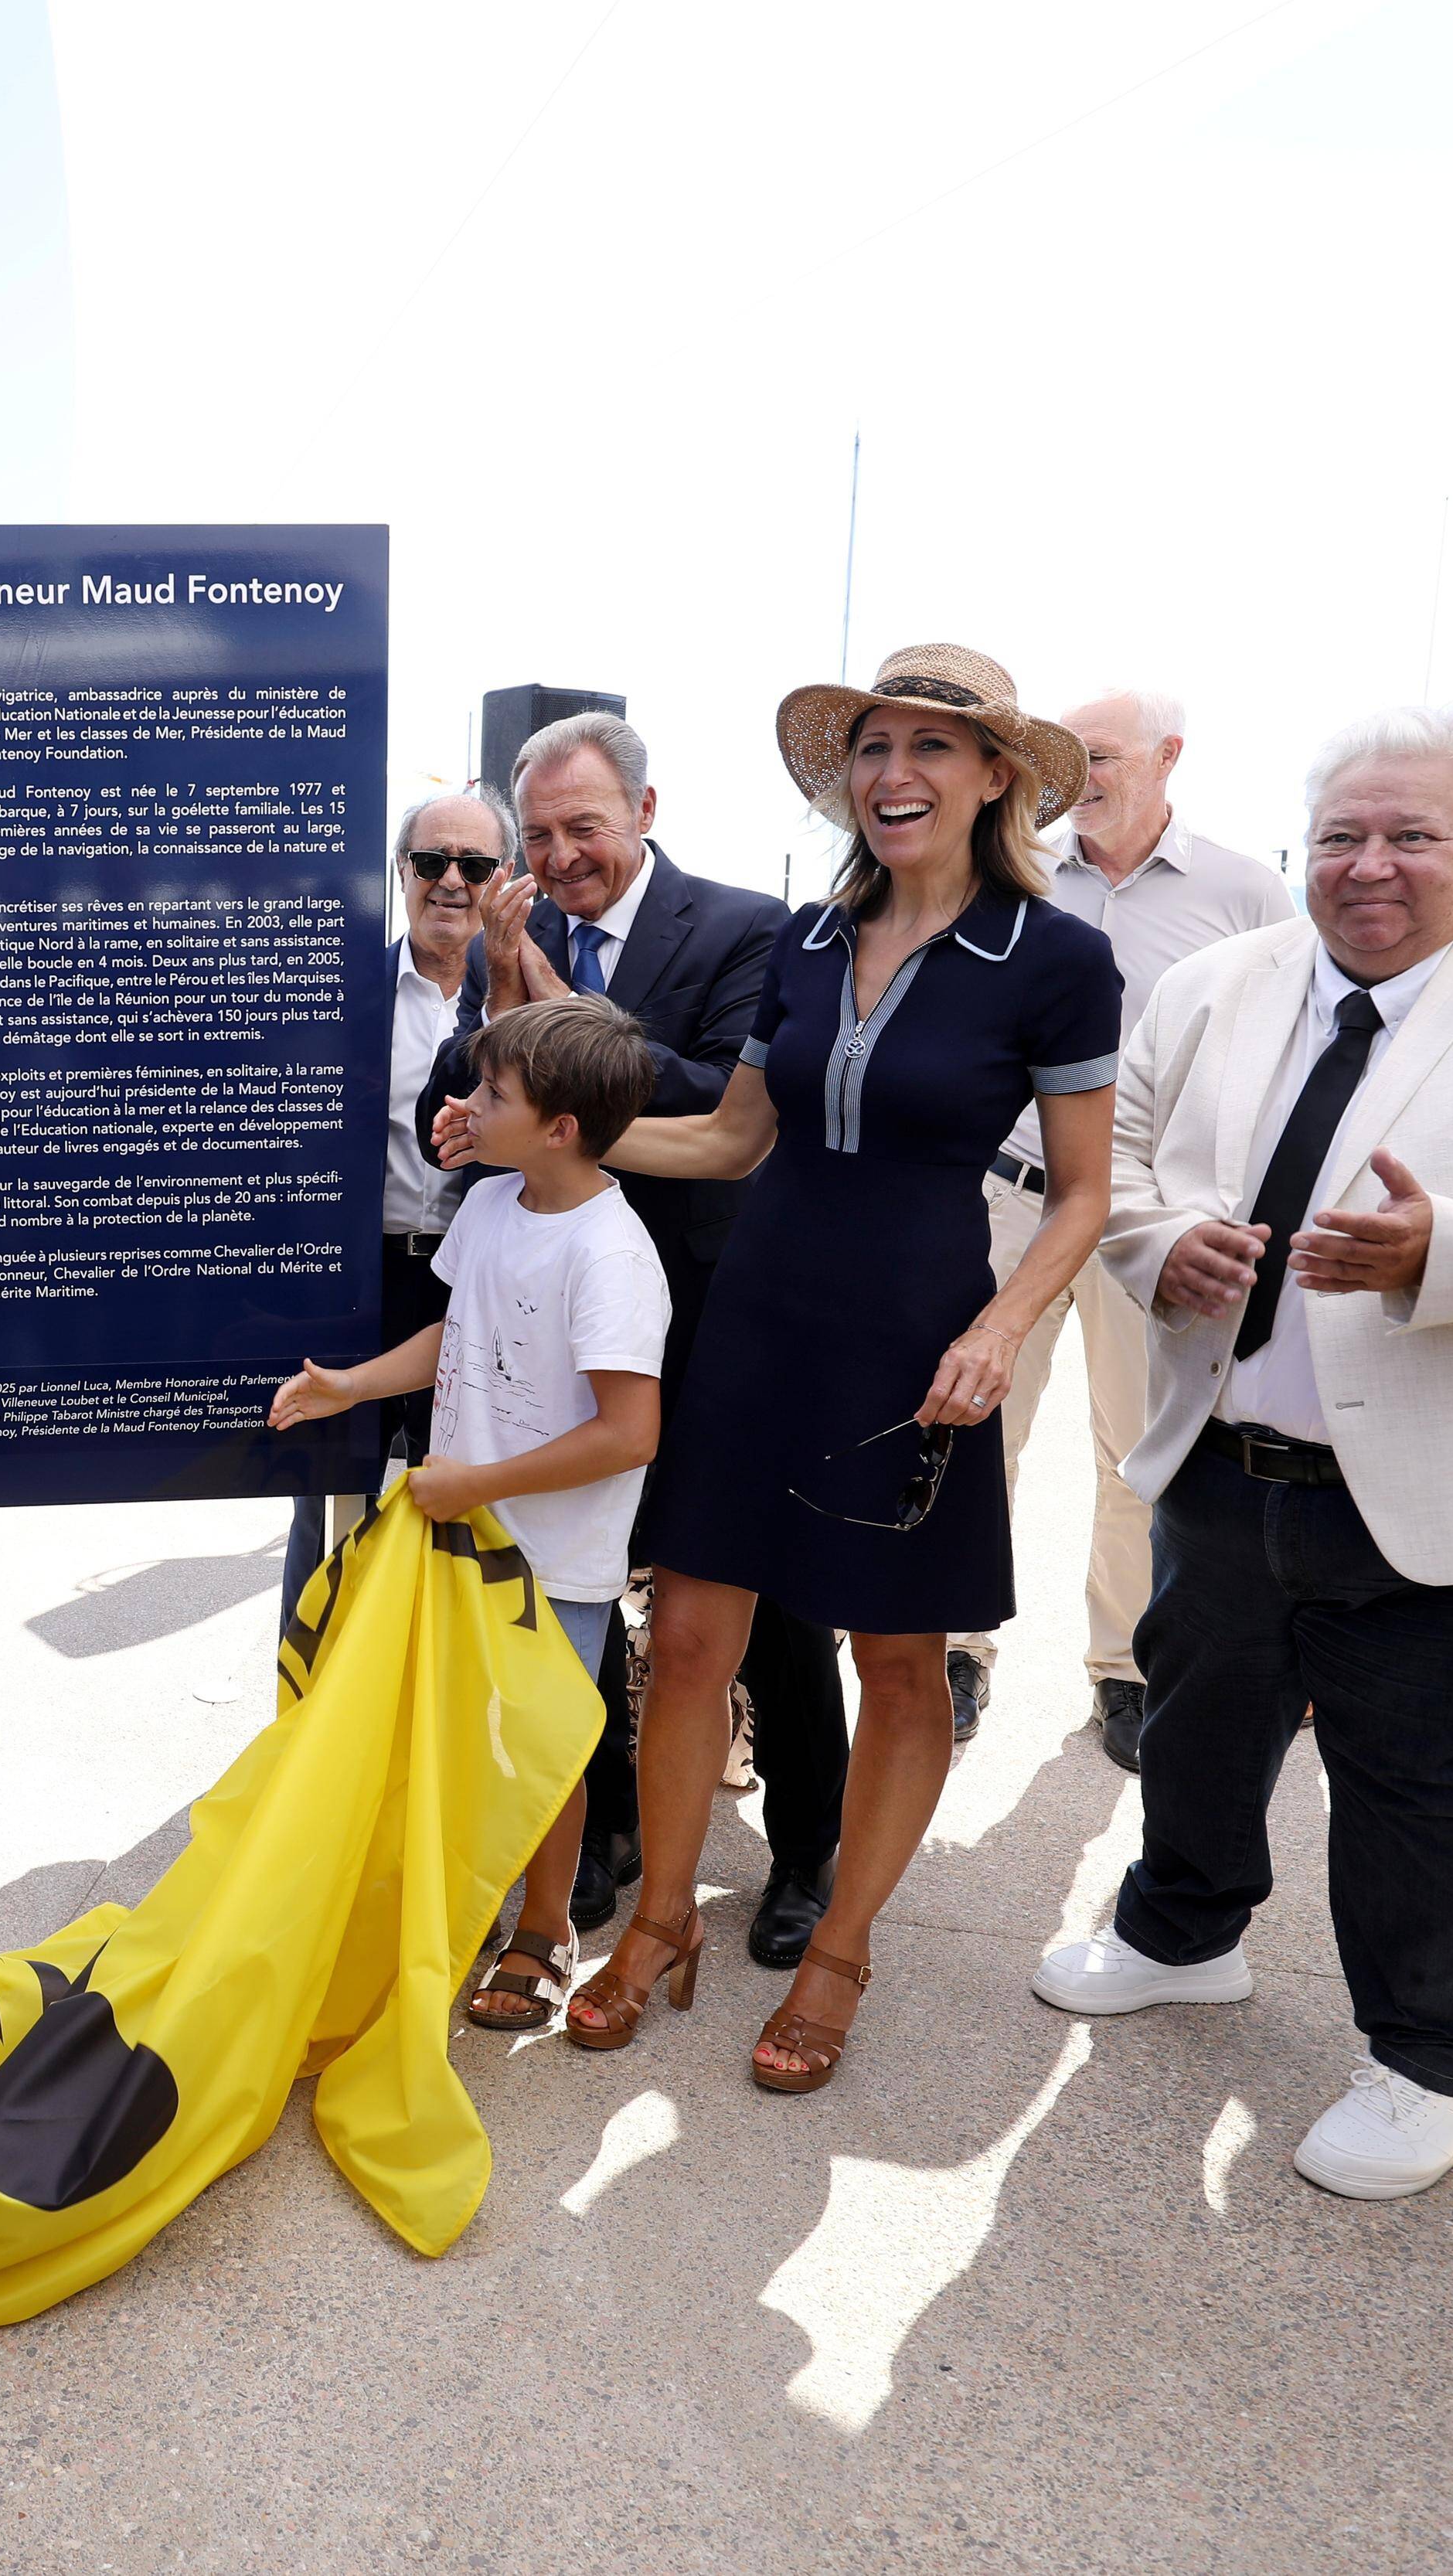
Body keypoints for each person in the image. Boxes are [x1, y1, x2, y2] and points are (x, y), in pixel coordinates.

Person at [1035, 703, 1453, 2200]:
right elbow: (1126, 1164)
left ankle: (1430, 2063)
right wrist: (1159, 1249)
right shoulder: (1220, 982)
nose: (1368, 865)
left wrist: (1447, 1249)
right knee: (1200, 1723)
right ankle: (1180, 1931)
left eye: (1411, 834)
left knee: (1435, 1791)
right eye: (1339, 834)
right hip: (1230, 1463)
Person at [561, 646, 1118, 2088]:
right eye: (874, 746)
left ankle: (840, 1950)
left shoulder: (1055, 958)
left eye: (935, 747)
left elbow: (1081, 1195)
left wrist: (998, 1331)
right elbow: (735, 1138)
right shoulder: (809, 940)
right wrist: (563, 1138)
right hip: (756, 1323)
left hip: (916, 1342)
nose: (895, 774)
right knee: (687, 1642)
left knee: (898, 1660)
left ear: (996, 776)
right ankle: (667, 1918)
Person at [421, 712, 846, 1965]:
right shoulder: (518, 933)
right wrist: (504, 986)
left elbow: (714, 1098)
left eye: (584, 828)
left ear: (646, 810)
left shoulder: (739, 929)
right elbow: (473, 1089)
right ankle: (600, 1829)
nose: (559, 857)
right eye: (538, 834)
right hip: (558, 1316)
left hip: (717, 1308)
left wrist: (552, 995)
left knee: (757, 1600)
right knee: (585, 1577)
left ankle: (805, 1853)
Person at [277, 995, 664, 2033]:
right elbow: (458, 1336)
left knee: (538, 1747)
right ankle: (463, 1908)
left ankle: (546, 1929)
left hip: (548, 1557)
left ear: (560, 1128)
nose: (466, 1104)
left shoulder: (613, 1253)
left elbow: (631, 1433)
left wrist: (477, 1484)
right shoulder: (493, 1205)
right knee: (458, 1732)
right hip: (465, 1531)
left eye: (493, 1092)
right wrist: (351, 1386)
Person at [951, 689, 1292, 1768]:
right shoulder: (1008, 875)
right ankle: (956, 1647)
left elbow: (1291, 1050)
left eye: (1101, 756)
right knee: (972, 1427)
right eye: (1068, 759)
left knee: (1136, 1447)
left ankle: (1126, 1672)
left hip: (1146, 1209)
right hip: (1011, 1198)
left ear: (1170, 758)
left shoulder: (1246, 893)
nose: (1080, 777)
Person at [279, 791, 503, 1609]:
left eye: (472, 865)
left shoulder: (531, 1002)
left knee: (468, 1515)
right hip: (361, 1282)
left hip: (478, 1287)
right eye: (431, 861)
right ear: (400, 870)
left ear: (501, 879)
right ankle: (309, 1711)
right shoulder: (340, 990)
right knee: (330, 1514)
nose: (451, 880)